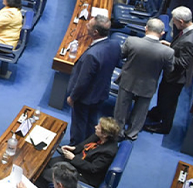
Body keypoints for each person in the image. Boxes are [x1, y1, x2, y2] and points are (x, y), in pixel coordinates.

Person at [114, 18, 174, 140]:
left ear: (146, 28)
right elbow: (169, 70)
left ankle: (117, 131)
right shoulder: (168, 52)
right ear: (162, 33)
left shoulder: (132, 41)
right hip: (148, 85)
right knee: (141, 111)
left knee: (121, 107)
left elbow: (121, 55)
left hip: (128, 80)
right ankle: (132, 133)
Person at [66, 15, 121, 145]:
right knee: (92, 123)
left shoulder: (92, 55)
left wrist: (73, 97)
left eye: (89, 25)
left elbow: (83, 81)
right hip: (101, 91)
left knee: (79, 125)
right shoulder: (114, 44)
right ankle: (89, 146)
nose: (86, 26)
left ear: (95, 32)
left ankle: (74, 149)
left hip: (85, 97)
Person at [145, 6, 193, 134]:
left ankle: (164, 126)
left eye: (175, 21)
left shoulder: (190, 40)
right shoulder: (187, 32)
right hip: (171, 75)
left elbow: (183, 62)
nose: (173, 23)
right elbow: (180, 50)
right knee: (162, 95)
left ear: (181, 21)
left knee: (169, 102)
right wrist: (170, 46)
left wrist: (166, 54)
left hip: (177, 78)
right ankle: (157, 113)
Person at [37, 117, 120, 188]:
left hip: (84, 174)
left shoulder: (108, 151)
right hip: (77, 160)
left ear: (105, 134)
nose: (95, 127)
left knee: (44, 174)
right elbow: (83, 145)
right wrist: (74, 148)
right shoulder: (98, 136)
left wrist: (73, 158)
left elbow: (92, 169)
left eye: (98, 127)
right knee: (46, 163)